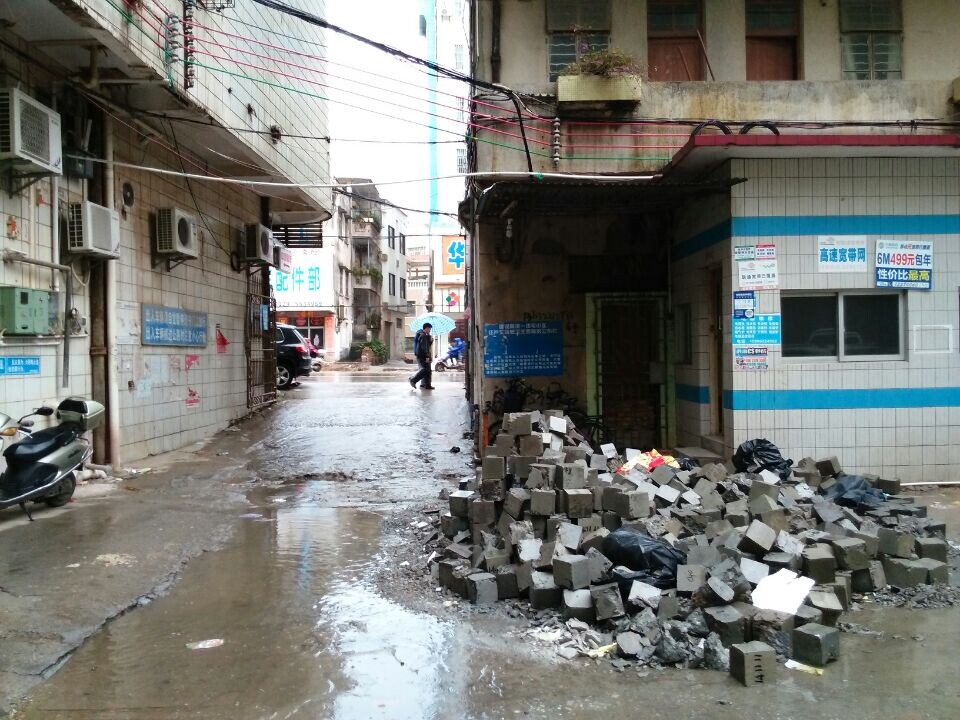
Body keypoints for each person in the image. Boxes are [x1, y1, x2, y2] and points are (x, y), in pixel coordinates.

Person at [409, 323, 435, 390]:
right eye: (429, 329)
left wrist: (430, 341)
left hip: (423, 355)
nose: (430, 330)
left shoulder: (425, 335)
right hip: (422, 356)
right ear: (426, 328)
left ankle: (426, 385)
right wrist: (427, 356)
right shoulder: (423, 335)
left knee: (428, 370)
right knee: (424, 370)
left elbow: (427, 345)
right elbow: (424, 347)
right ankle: (413, 380)